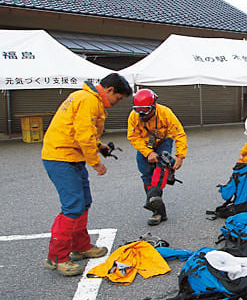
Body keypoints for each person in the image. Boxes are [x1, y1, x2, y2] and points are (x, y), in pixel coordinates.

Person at [42, 73, 132, 277]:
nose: (117, 103)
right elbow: (83, 135)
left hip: (70, 156)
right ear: (109, 90)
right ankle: (56, 257)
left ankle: (80, 247)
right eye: (118, 98)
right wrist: (96, 163)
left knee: (83, 202)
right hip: (60, 157)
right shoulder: (89, 100)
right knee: (73, 206)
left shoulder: (86, 98)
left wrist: (100, 147)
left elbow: (83, 133)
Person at [127, 89, 187, 226]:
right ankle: (157, 209)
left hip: (163, 141)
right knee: (145, 173)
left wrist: (180, 156)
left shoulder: (165, 113)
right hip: (144, 144)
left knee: (163, 161)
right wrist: (147, 152)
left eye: (146, 110)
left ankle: (154, 196)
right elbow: (132, 136)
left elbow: (179, 134)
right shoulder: (133, 116)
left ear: (154, 105)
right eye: (138, 110)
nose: (142, 114)